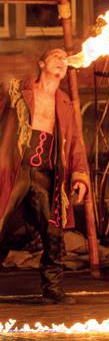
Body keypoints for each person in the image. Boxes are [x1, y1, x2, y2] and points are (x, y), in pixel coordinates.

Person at [0, 48, 90, 302]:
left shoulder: (65, 104)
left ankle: (52, 289)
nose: (62, 61)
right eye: (56, 56)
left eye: (64, 59)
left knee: (53, 231)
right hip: (15, 169)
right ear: (41, 64)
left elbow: (75, 143)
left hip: (45, 174)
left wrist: (79, 176)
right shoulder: (18, 92)